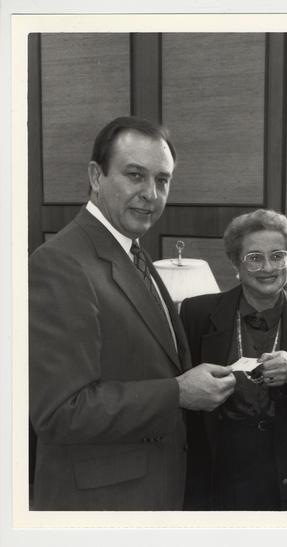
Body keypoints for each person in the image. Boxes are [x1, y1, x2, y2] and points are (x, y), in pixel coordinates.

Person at [29, 116, 236, 511]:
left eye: (162, 180)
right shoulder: (59, 264)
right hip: (102, 503)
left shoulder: (133, 251)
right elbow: (60, 412)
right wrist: (179, 391)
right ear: (96, 175)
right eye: (135, 175)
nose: (151, 194)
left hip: (151, 490)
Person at [180, 209, 287, 511]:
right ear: (236, 262)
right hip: (219, 478)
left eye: (278, 256)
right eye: (254, 257)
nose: (267, 267)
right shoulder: (196, 314)